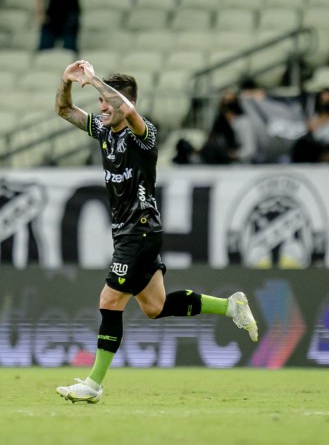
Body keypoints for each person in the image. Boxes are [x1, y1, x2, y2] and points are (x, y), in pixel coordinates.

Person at [53, 60, 258, 403]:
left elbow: (128, 109)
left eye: (106, 103)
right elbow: (63, 109)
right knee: (154, 306)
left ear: (121, 101)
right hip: (127, 233)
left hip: (141, 231)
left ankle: (94, 384)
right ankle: (230, 308)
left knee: (109, 300)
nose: (101, 108)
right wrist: (67, 80)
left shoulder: (143, 134)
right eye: (100, 103)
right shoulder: (104, 132)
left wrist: (96, 80)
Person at [291, 88, 329, 163]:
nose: (324, 104)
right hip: (309, 163)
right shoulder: (312, 120)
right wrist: (308, 130)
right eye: (322, 100)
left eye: (328, 101)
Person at [200, 92, 256, 164]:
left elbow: (249, 149)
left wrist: (234, 155)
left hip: (240, 164)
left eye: (230, 102)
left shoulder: (243, 123)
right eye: (224, 102)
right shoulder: (220, 122)